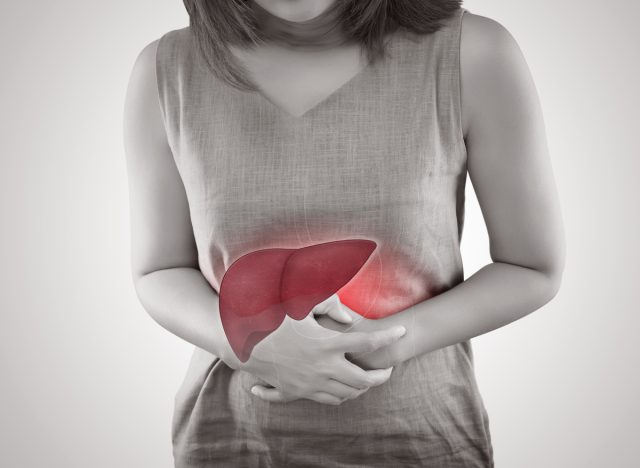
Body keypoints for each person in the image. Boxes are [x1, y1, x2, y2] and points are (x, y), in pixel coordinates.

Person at [123, 0, 565, 466]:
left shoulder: (473, 52)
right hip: (229, 440)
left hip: (422, 439)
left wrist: (378, 345)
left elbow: (531, 267)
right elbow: (160, 269)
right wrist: (244, 342)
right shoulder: (166, 70)